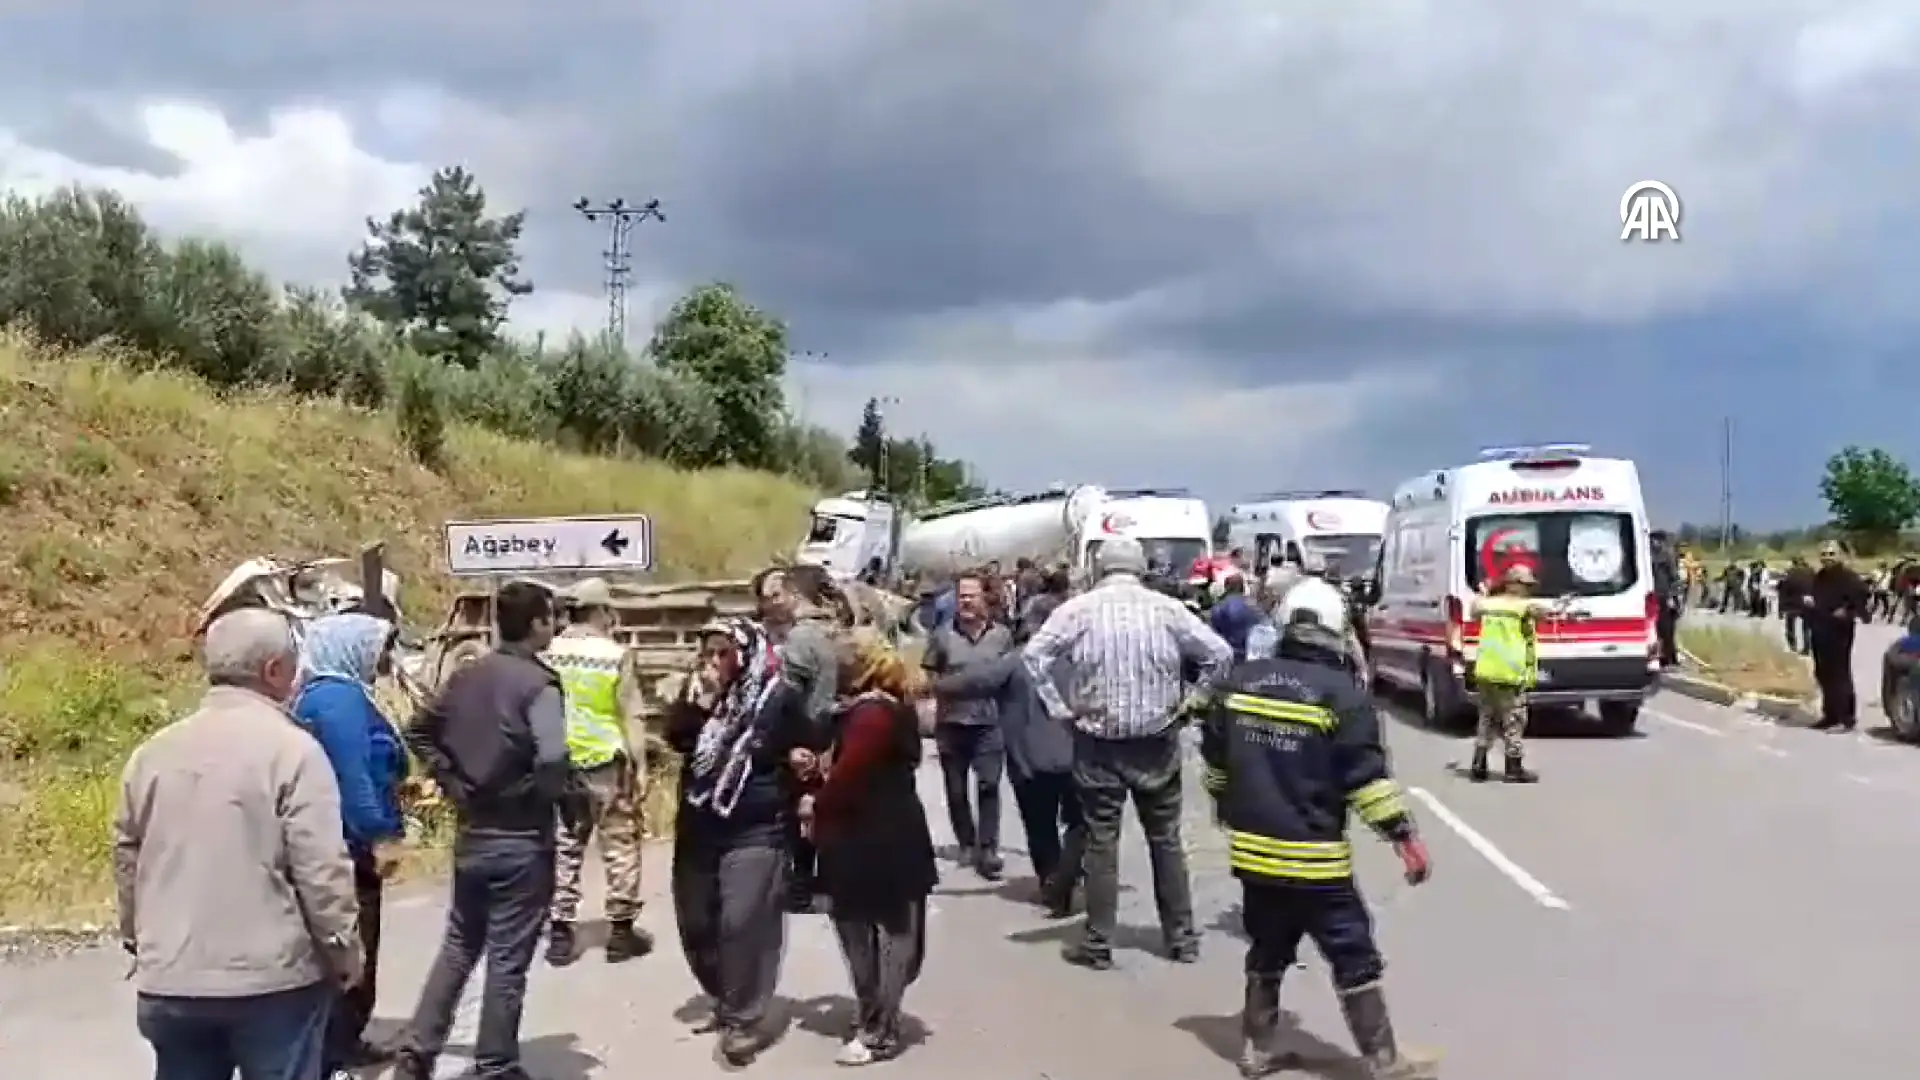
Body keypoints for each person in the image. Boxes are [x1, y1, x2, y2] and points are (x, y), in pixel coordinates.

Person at [1198, 591, 1436, 1080]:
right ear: (1335, 630)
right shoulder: (1342, 695)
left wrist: (1228, 808)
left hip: (1253, 852)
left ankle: (1256, 1050)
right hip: (1315, 858)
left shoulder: (1236, 682)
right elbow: (1366, 780)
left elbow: (1217, 766)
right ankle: (1384, 1060)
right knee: (1352, 950)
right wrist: (1404, 838)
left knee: (1268, 946)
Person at [116, 608, 363, 1080]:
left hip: (172, 980)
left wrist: (138, 938)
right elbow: (321, 868)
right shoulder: (293, 751)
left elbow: (128, 855)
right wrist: (342, 950)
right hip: (271, 983)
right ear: (275, 671)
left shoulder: (153, 752)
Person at [395, 582, 582, 1080]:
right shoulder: (539, 684)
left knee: (459, 946)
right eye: (551, 618)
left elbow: (417, 730)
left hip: (472, 833)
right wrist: (547, 797)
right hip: (521, 840)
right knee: (507, 958)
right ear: (537, 623)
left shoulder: (467, 677)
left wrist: (453, 781)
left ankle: (416, 1052)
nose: (555, 626)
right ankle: (496, 1063)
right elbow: (554, 756)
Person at [1022, 536, 1232, 970]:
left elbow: (1034, 656)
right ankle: (1181, 937)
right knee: (1166, 840)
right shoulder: (1167, 609)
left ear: (1100, 567)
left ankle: (1099, 941)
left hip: (1098, 742)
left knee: (1102, 843)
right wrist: (1193, 700)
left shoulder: (1078, 610)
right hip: (1157, 740)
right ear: (1140, 568)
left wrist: (1060, 709)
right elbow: (1221, 654)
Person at [665, 617, 810, 1066]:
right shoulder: (699, 695)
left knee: (743, 921)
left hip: (756, 826)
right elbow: (678, 738)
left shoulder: (779, 697)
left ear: (744, 653)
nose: (713, 662)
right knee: (697, 922)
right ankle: (724, 997)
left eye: (722, 652)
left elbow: (812, 742)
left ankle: (744, 1020)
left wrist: (798, 766)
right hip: (699, 826)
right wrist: (701, 704)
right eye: (707, 652)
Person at [804, 631, 940, 1066]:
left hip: (877, 838)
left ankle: (879, 1027)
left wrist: (815, 803)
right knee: (864, 931)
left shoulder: (875, 715)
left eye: (841, 660)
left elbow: (850, 775)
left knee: (882, 935)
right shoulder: (867, 711)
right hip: (866, 836)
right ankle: (876, 1013)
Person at [290, 612, 408, 1074]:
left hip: (331, 838)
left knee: (342, 942)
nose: (383, 658)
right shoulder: (339, 701)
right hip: (347, 844)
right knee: (354, 943)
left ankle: (338, 1042)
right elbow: (354, 774)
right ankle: (336, 1048)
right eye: (378, 647)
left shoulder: (329, 693)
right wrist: (378, 833)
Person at [539, 577, 652, 967]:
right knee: (620, 845)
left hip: (561, 763)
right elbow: (630, 713)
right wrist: (640, 765)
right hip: (607, 762)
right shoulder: (615, 654)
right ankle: (620, 932)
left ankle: (559, 931)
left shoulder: (548, 653)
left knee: (564, 845)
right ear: (602, 611)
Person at [751, 564, 844, 913]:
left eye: (781, 593)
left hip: (807, 733)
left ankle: (801, 886)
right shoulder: (831, 631)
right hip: (826, 730)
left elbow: (785, 696)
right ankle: (820, 881)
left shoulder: (802, 638)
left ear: (795, 594)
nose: (776, 602)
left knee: (800, 814)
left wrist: (782, 740)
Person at [922, 571, 1016, 880]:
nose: (965, 600)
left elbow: (1010, 678)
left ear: (985, 599)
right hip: (952, 723)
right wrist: (943, 691)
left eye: (971, 595)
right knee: (956, 789)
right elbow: (929, 675)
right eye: (961, 595)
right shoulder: (942, 635)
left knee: (989, 785)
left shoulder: (1002, 636)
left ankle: (988, 849)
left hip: (990, 723)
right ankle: (966, 841)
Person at [1470, 564, 1541, 783]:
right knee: (1514, 721)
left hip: (1486, 671)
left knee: (1487, 718)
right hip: (1508, 673)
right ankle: (1513, 767)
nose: (1528, 589)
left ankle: (1478, 764)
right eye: (1525, 584)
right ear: (1513, 584)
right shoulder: (1523, 607)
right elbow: (1541, 612)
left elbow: (1474, 609)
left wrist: (1483, 592)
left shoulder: (1488, 605)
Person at [1804, 542, 1870, 732]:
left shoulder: (1848, 577)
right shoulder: (1820, 577)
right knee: (1823, 672)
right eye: (1824, 554)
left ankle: (1846, 718)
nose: (1827, 557)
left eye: (1831, 553)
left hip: (1839, 631)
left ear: (1839, 555)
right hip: (1820, 628)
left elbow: (1863, 594)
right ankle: (1830, 715)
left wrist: (1848, 610)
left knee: (1839, 673)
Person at [1209, 571, 1262, 662]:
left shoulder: (1218, 608)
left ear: (1226, 587)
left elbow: (1214, 636)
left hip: (1229, 657)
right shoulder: (1255, 606)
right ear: (1242, 587)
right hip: (1251, 657)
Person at [1780, 556, 1814, 655]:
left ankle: (1793, 647)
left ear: (1793, 563)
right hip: (1808, 603)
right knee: (1807, 627)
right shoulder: (1811, 572)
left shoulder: (1790, 573)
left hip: (1792, 603)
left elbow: (1784, 591)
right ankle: (1807, 648)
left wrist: (1781, 609)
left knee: (1790, 626)